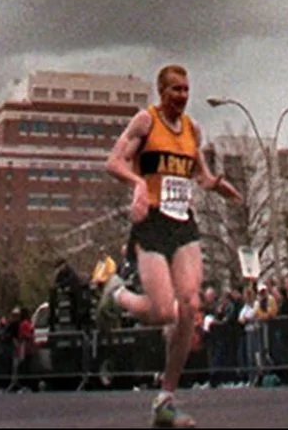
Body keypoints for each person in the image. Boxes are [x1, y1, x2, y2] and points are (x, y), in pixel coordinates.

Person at [97, 64, 246, 428]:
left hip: (182, 223)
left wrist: (218, 185)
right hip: (151, 222)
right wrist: (136, 184)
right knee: (164, 312)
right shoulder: (145, 122)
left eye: (186, 89)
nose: (181, 95)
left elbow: (201, 174)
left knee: (191, 305)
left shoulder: (193, 129)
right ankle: (116, 295)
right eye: (175, 90)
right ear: (161, 92)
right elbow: (113, 161)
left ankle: (165, 398)